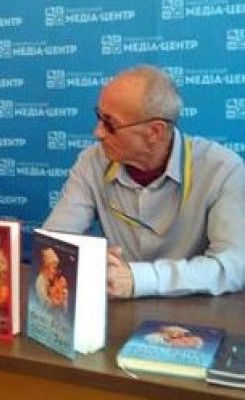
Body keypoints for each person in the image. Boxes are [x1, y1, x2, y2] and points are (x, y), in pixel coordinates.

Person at [43, 65, 245, 298]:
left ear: (154, 132)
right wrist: (91, 260)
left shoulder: (222, 169)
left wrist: (139, 278)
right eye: (99, 117)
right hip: (117, 305)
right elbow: (53, 241)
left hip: (193, 309)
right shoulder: (92, 162)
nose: (97, 132)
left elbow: (233, 266)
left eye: (110, 123)